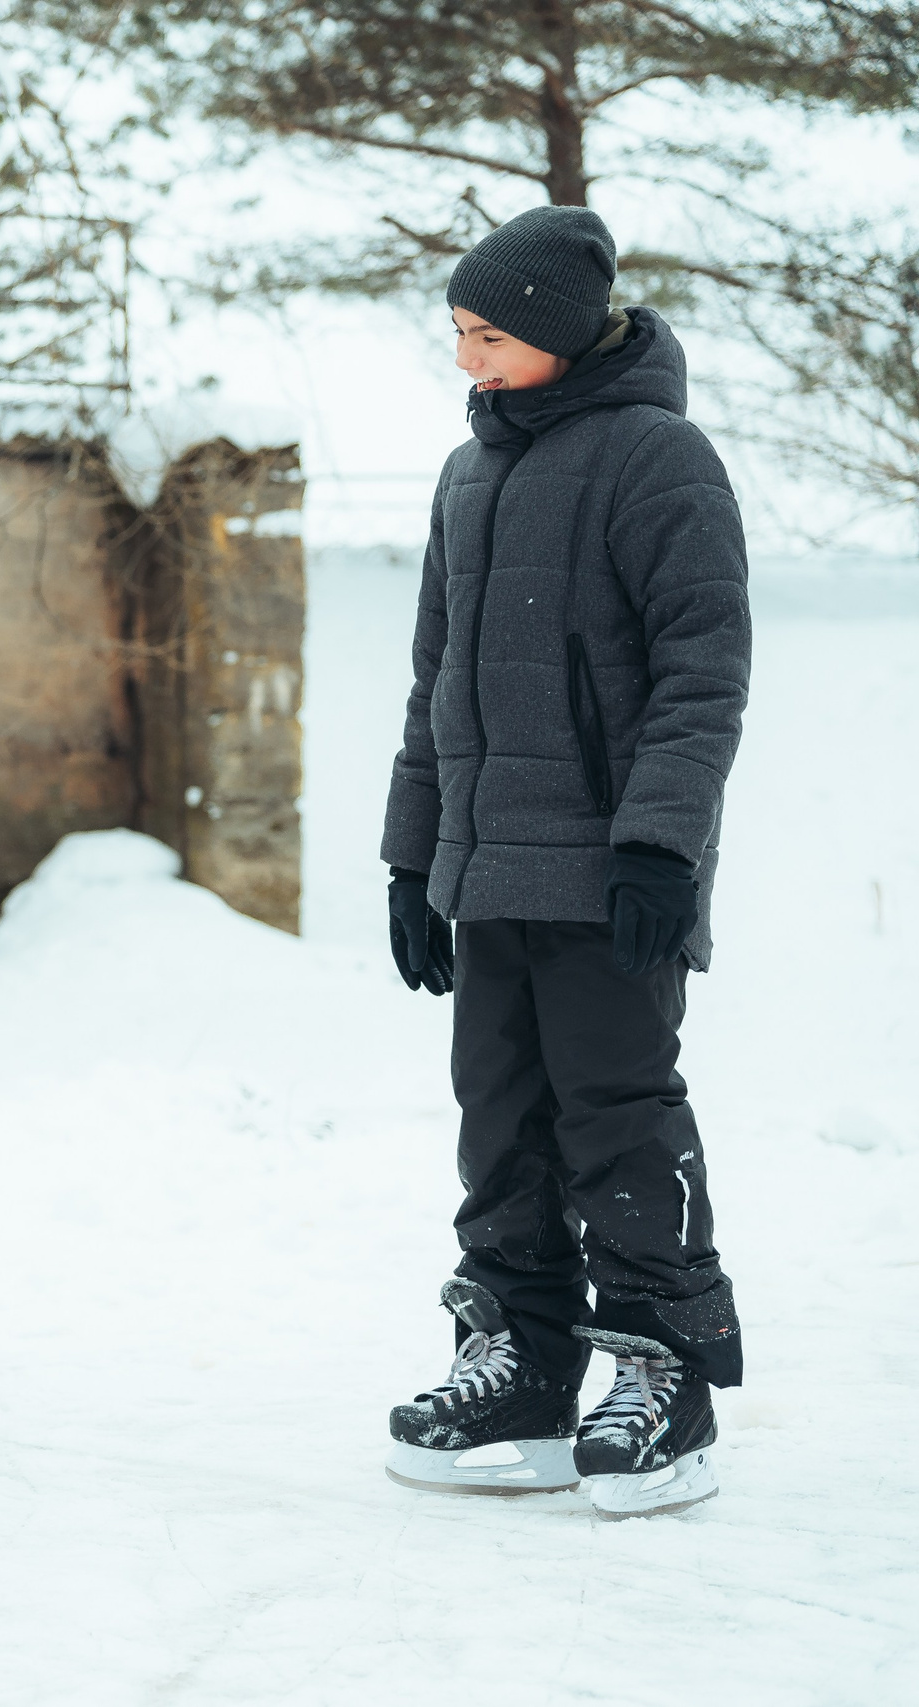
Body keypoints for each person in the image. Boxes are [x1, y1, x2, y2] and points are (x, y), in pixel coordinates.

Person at [378, 205, 749, 1521]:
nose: (467, 359)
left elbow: (703, 678)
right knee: (503, 1118)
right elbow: (438, 688)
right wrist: (411, 860)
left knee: (619, 1113)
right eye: (460, 335)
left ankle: (662, 1371)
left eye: (486, 335)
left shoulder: (663, 461)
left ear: (549, 328)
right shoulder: (467, 474)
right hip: (488, 873)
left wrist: (659, 843)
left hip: (607, 875)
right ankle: (523, 1359)